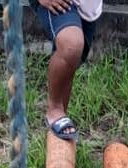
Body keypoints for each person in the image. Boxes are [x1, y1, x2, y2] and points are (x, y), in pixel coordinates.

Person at [29, 0, 102, 141]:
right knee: (71, 44)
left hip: (88, 6)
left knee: (71, 60)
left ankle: (57, 129)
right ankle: (55, 109)